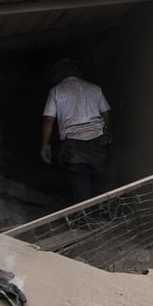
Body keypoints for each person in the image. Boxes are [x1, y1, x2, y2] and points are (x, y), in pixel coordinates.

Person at [40, 58, 114, 203]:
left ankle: (85, 221)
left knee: (80, 184)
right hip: (98, 141)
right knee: (104, 180)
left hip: (73, 146)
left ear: (58, 75)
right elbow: (106, 112)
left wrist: (45, 145)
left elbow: (49, 120)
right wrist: (106, 130)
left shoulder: (56, 91)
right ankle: (111, 213)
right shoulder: (94, 88)